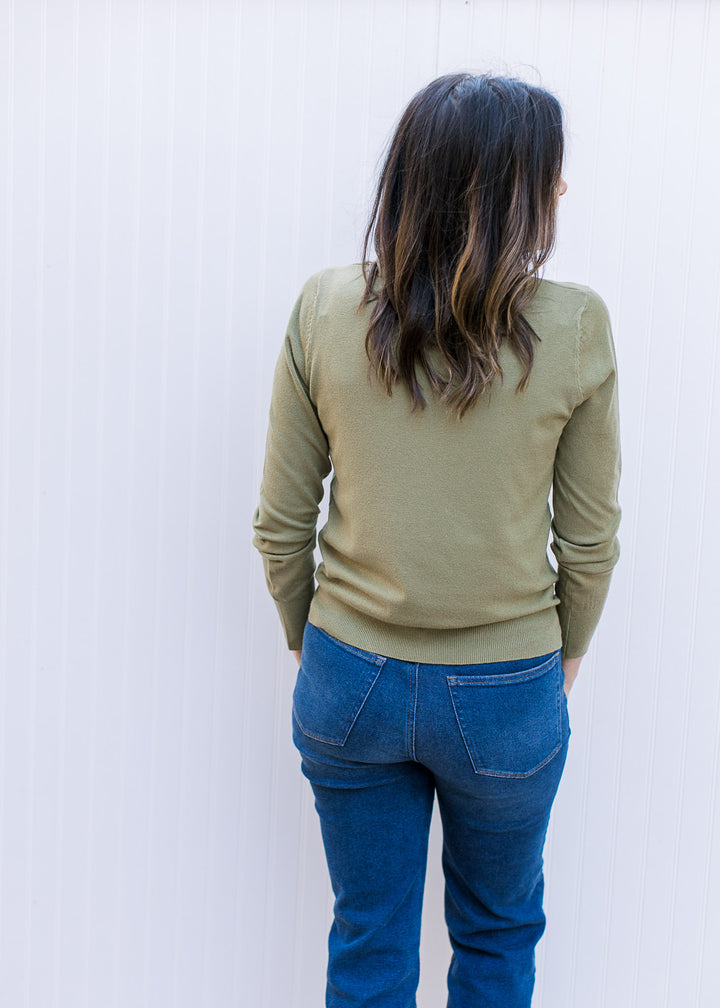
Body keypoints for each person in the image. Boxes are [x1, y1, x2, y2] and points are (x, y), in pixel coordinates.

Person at [252, 72, 621, 1008]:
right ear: (507, 191)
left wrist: (312, 642)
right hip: (507, 693)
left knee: (368, 941)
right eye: (551, 173)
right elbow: (590, 542)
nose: (563, 190)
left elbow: (280, 523)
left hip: (349, 680)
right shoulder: (574, 326)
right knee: (496, 936)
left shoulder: (324, 308)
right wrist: (562, 659)